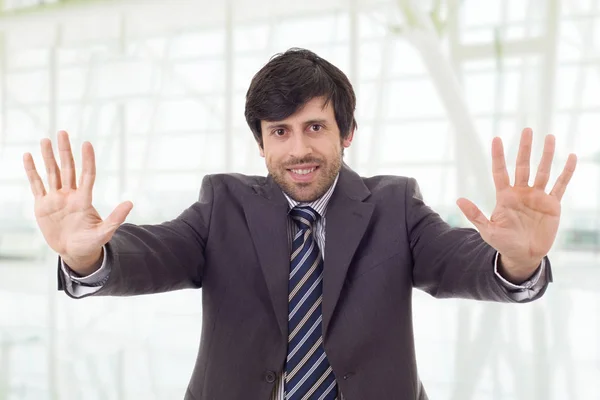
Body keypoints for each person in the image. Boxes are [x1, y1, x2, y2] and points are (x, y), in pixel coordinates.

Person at [23, 48, 577, 400]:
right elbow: (156, 252)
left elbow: (459, 262)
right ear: (261, 142)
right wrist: (86, 257)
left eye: (315, 126)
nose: (299, 149)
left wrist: (519, 259)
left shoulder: (394, 205)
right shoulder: (224, 203)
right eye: (280, 131)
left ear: (346, 133)